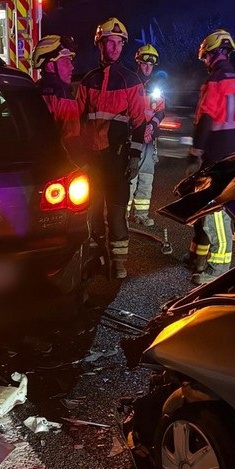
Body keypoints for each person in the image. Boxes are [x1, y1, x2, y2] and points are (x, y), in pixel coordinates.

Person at [76, 17, 147, 279]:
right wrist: (78, 157)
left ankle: (119, 262)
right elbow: (77, 121)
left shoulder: (131, 80)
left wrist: (135, 156)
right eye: (110, 42)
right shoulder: (88, 81)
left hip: (118, 160)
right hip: (93, 161)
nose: (115, 47)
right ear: (100, 45)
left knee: (117, 213)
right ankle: (96, 257)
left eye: (119, 43)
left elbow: (140, 123)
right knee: (93, 211)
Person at [186, 28, 235, 285]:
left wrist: (195, 153)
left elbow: (205, 120)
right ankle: (198, 256)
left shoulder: (214, 82)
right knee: (207, 207)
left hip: (215, 157)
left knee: (214, 210)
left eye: (205, 56)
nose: (204, 61)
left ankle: (218, 268)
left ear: (212, 54)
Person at [32, 35, 87, 165]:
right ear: (50, 66)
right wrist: (83, 166)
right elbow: (72, 139)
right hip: (57, 163)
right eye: (66, 62)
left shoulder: (34, 89)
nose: (71, 67)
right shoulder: (64, 95)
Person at [128, 44, 165, 226]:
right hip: (131, 138)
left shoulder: (155, 86)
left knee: (146, 175)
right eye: (145, 63)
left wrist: (152, 125)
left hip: (148, 140)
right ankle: (123, 215)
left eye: (151, 64)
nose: (148, 67)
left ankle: (141, 214)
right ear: (138, 62)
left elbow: (161, 111)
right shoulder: (130, 83)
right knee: (130, 175)